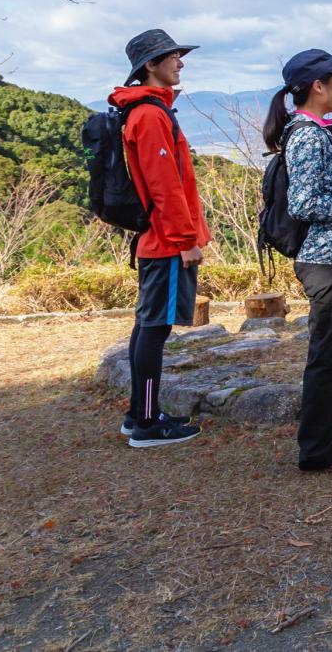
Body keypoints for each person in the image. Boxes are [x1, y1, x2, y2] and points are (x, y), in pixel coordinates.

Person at [262, 49, 332, 474]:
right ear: (317, 87)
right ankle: (321, 450)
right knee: (330, 355)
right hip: (328, 262)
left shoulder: (310, 132)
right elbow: (305, 203)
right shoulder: (307, 136)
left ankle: (329, 443)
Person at [111, 28, 211, 447]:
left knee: (147, 326)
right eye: (171, 56)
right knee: (154, 329)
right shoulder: (150, 115)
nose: (180, 62)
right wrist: (186, 238)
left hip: (158, 239)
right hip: (166, 241)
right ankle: (148, 424)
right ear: (149, 66)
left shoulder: (148, 111)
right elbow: (164, 184)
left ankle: (140, 414)